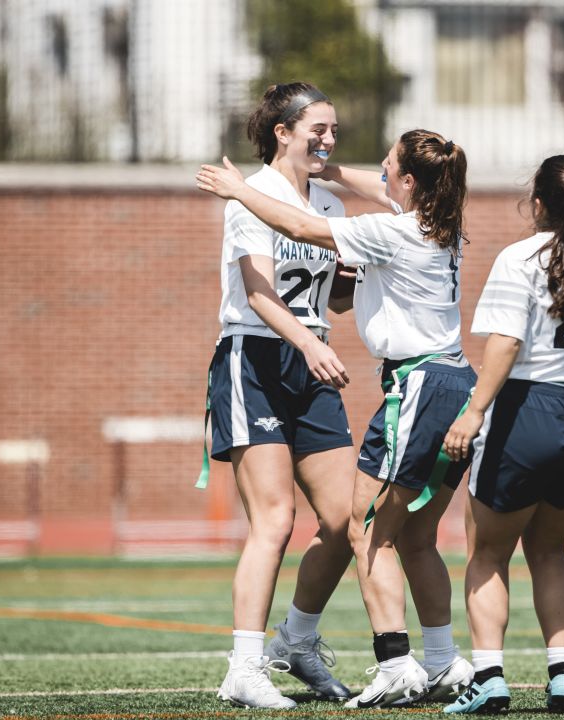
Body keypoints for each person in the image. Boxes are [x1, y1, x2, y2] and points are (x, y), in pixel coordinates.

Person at [196, 129, 477, 709]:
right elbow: (337, 288)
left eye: (389, 164)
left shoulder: (388, 227)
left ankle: (396, 661)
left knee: (366, 527)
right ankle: (440, 660)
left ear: (409, 182)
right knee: (413, 535)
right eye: (318, 130)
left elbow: (300, 229)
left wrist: (236, 189)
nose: (376, 166)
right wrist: (330, 176)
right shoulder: (433, 222)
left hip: (416, 384)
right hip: (450, 381)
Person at [439, 155, 564, 715]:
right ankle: (563, 677)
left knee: (487, 551)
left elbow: (505, 345)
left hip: (529, 410)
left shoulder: (521, 257)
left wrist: (473, 412)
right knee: (550, 549)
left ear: (542, 204)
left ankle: (489, 679)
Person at [204, 82, 357, 710]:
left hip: (311, 361)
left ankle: (295, 640)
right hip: (256, 358)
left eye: (333, 129)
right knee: (275, 519)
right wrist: (312, 343)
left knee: (348, 519)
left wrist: (356, 283)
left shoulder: (328, 205)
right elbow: (262, 294)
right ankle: (243, 667)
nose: (327, 139)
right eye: (317, 128)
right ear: (283, 132)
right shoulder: (252, 195)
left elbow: (334, 298)